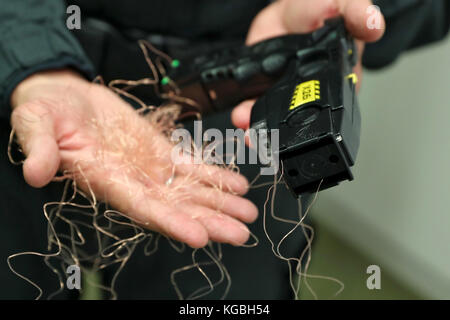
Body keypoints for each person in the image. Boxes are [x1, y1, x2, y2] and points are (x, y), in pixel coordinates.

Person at [0, 0, 448, 299]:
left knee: (216, 295)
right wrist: (30, 57)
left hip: (252, 95)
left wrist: (355, 7)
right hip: (32, 71)